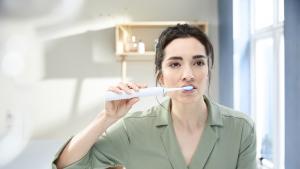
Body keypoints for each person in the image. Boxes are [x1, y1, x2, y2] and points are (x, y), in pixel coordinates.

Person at [52, 24, 256, 169]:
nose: (188, 75)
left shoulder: (241, 129)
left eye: (198, 62)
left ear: (208, 71)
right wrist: (106, 118)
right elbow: (68, 165)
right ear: (161, 78)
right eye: (175, 64)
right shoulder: (133, 129)